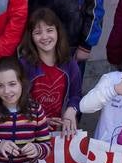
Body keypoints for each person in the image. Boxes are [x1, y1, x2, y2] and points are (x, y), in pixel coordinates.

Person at [17, 8, 82, 136]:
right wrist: (37, 120)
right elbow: (16, 101)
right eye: (38, 32)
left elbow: (76, 95)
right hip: (31, 131)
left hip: (61, 132)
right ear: (31, 36)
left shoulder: (70, 64)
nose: (45, 37)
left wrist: (71, 109)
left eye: (49, 30)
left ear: (58, 31)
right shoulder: (23, 65)